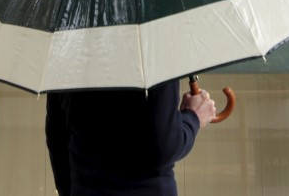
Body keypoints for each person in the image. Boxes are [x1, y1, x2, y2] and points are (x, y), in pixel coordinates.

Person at [46, 79, 216, 196]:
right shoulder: (154, 45)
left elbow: (56, 137)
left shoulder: (68, 47)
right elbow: (164, 146)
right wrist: (193, 117)